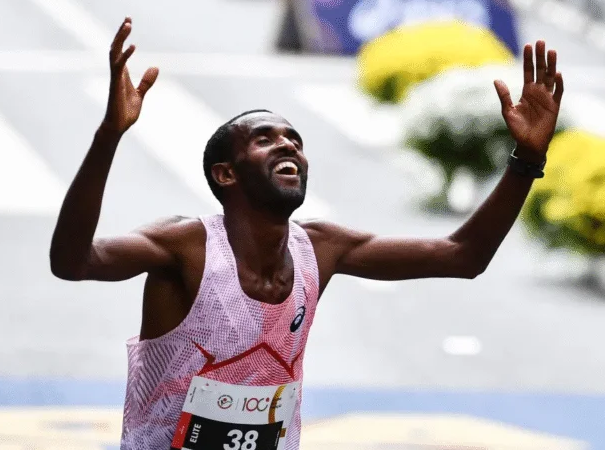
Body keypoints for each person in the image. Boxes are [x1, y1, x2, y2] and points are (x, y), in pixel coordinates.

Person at [49, 16, 564, 450]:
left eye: (294, 139)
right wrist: (108, 135)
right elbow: (74, 262)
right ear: (226, 174)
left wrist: (527, 159)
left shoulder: (321, 247)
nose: (287, 146)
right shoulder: (183, 246)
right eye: (264, 138)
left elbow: (461, 256)